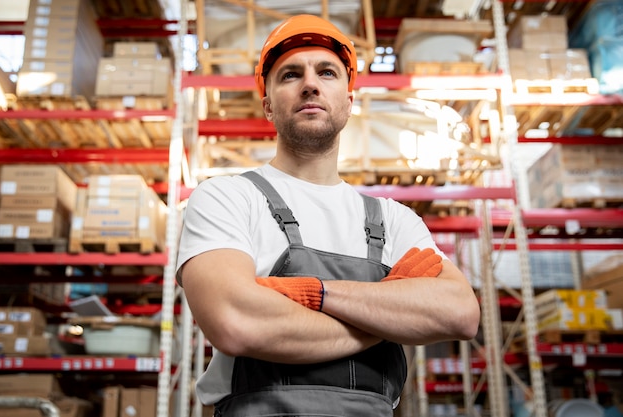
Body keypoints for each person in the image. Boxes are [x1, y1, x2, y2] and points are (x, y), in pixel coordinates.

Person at [176, 14, 481, 417]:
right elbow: (235, 321)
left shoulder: (394, 220)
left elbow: (459, 313)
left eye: (327, 72)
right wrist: (389, 312)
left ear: (349, 102)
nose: (310, 84)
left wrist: (313, 294)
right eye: (289, 75)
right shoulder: (228, 197)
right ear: (268, 105)